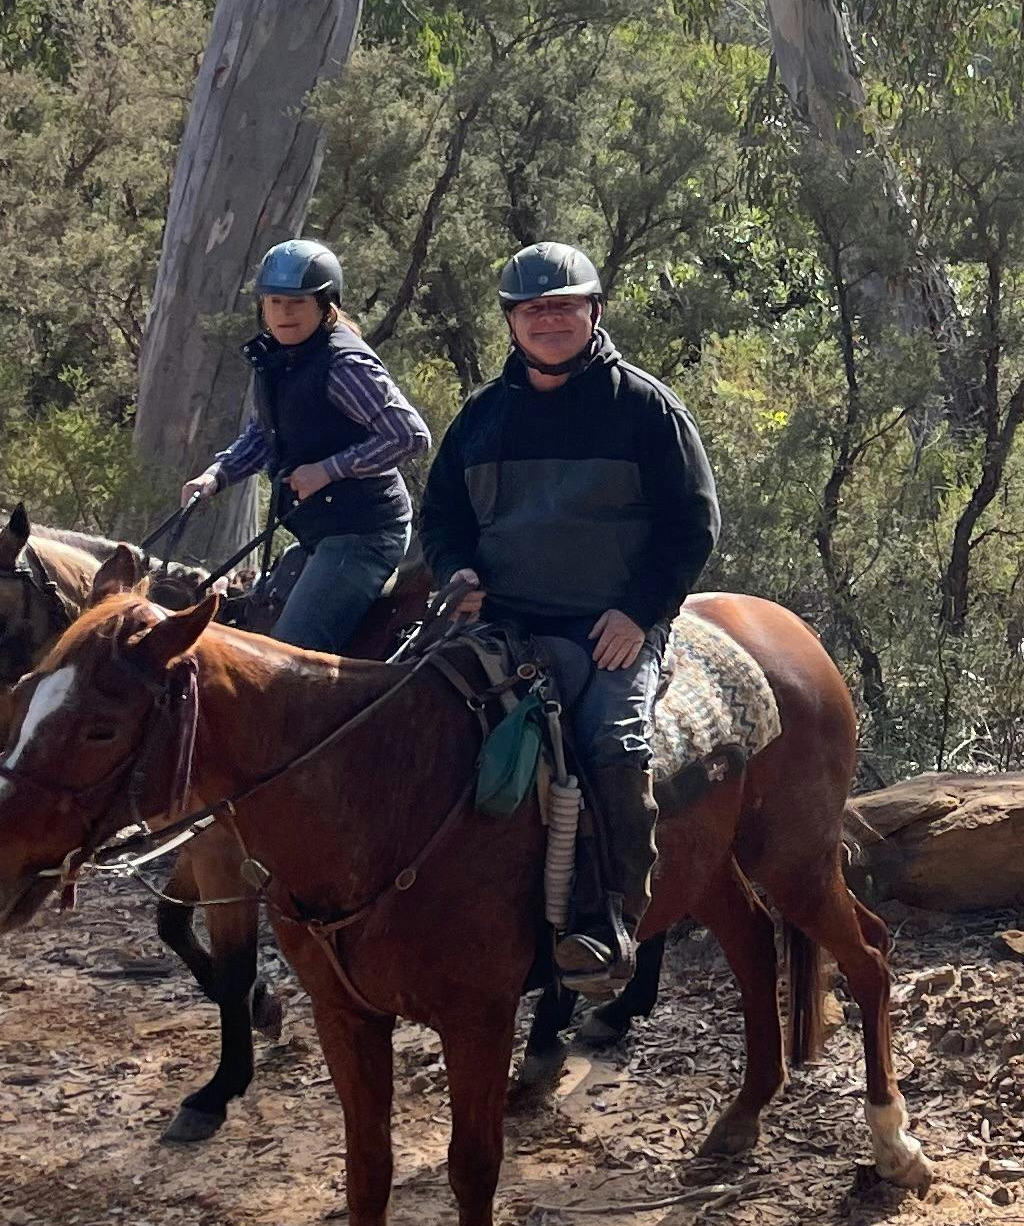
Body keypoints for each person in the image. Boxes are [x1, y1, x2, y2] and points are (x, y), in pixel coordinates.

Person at [418, 243, 721, 996]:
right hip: (503, 624)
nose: (548, 320)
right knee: (418, 723)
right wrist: (456, 573)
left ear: (593, 312)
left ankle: (610, 922)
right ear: (512, 323)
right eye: (532, 310)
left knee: (613, 746)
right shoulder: (482, 419)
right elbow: (443, 517)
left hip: (608, 626)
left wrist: (640, 613)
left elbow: (695, 524)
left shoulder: (647, 408)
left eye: (563, 306)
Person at [178, 240, 431, 653]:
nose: (283, 313)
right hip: (320, 531)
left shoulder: (344, 365)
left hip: (364, 533)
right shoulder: (278, 358)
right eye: (274, 302)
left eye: (296, 303)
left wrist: (330, 469)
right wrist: (215, 476)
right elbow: (263, 434)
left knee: (287, 656)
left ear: (326, 305)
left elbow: (410, 434)